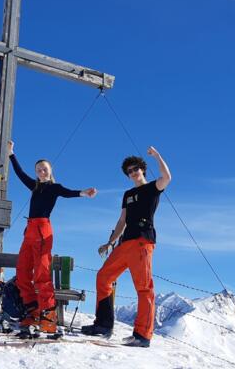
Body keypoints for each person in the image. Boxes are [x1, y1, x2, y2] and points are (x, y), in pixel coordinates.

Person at [81, 146, 171, 348]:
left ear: (142, 169)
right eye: (129, 171)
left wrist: (157, 156)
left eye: (135, 169)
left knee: (144, 288)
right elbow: (122, 221)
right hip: (124, 243)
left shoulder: (152, 188)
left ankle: (142, 336)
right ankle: (103, 325)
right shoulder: (127, 194)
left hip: (142, 242)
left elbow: (167, 177)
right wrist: (110, 242)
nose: (133, 173)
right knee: (103, 277)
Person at [8, 140, 97, 333]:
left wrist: (84, 193)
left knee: (41, 273)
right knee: (22, 271)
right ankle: (32, 312)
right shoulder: (34, 186)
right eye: (38, 169)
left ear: (50, 171)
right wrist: (11, 154)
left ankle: (48, 317)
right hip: (29, 230)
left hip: (42, 230)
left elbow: (68, 193)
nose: (41, 172)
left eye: (44, 169)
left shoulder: (54, 188)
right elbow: (19, 173)